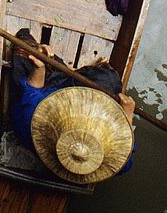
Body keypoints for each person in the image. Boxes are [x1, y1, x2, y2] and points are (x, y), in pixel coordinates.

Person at [9, 32, 136, 182]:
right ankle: (94, 70)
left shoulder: (32, 120)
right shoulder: (112, 155)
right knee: (108, 79)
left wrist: (40, 68)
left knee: (23, 47)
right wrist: (126, 117)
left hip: (50, 93)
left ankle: (88, 71)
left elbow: (30, 92)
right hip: (62, 97)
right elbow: (125, 163)